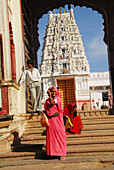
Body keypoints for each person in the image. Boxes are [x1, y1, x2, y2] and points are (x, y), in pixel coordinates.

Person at [43, 86, 66, 160]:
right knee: (51, 138)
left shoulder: (57, 98)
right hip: (50, 121)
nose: (53, 93)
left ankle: (61, 153)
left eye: (54, 91)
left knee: (59, 136)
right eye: (51, 91)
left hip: (57, 120)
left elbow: (53, 103)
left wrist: (50, 96)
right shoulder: (47, 101)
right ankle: (52, 153)